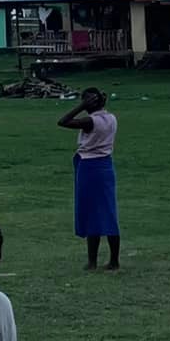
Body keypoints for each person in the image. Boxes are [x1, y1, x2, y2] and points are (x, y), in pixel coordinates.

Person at [59, 88, 120, 270]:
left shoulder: (90, 121)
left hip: (89, 166)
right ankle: (114, 260)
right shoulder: (111, 118)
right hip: (106, 165)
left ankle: (92, 261)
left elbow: (62, 122)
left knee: (91, 212)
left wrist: (81, 106)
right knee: (109, 211)